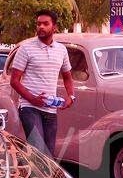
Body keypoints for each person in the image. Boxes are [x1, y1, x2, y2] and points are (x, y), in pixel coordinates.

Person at [9, 9, 74, 156]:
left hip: (50, 108)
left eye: (45, 24)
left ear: (54, 27)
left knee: (49, 154)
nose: (41, 27)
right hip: (29, 107)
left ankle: (29, 169)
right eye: (38, 24)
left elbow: (67, 77)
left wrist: (71, 96)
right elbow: (14, 81)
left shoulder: (61, 50)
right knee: (38, 150)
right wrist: (33, 99)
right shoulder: (26, 48)